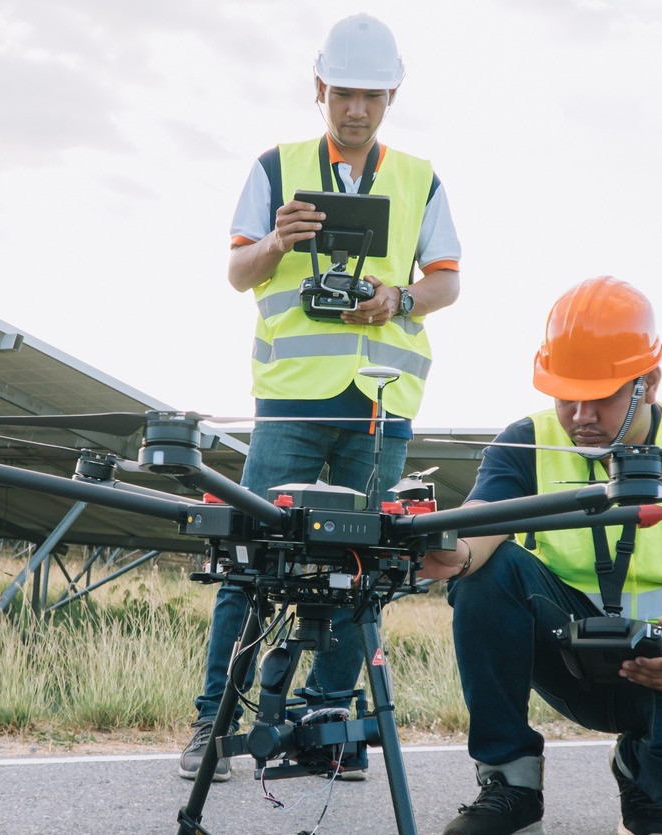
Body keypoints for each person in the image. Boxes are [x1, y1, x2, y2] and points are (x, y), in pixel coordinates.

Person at [180, 12, 463, 780]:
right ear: (319, 88)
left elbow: (448, 280)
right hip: (295, 405)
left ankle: (328, 725)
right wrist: (276, 243)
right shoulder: (275, 167)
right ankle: (215, 722)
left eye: (371, 96)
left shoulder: (419, 178)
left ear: (392, 96)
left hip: (379, 407)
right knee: (253, 561)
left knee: (359, 565)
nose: (356, 110)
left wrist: (398, 299)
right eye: (343, 93)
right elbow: (239, 272)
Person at [420, 276, 662, 835]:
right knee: (488, 575)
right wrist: (448, 551)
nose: (580, 415)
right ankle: (511, 786)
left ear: (649, 382)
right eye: (566, 395)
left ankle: (642, 771)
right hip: (565, 654)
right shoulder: (526, 442)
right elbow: (480, 533)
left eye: (601, 396)